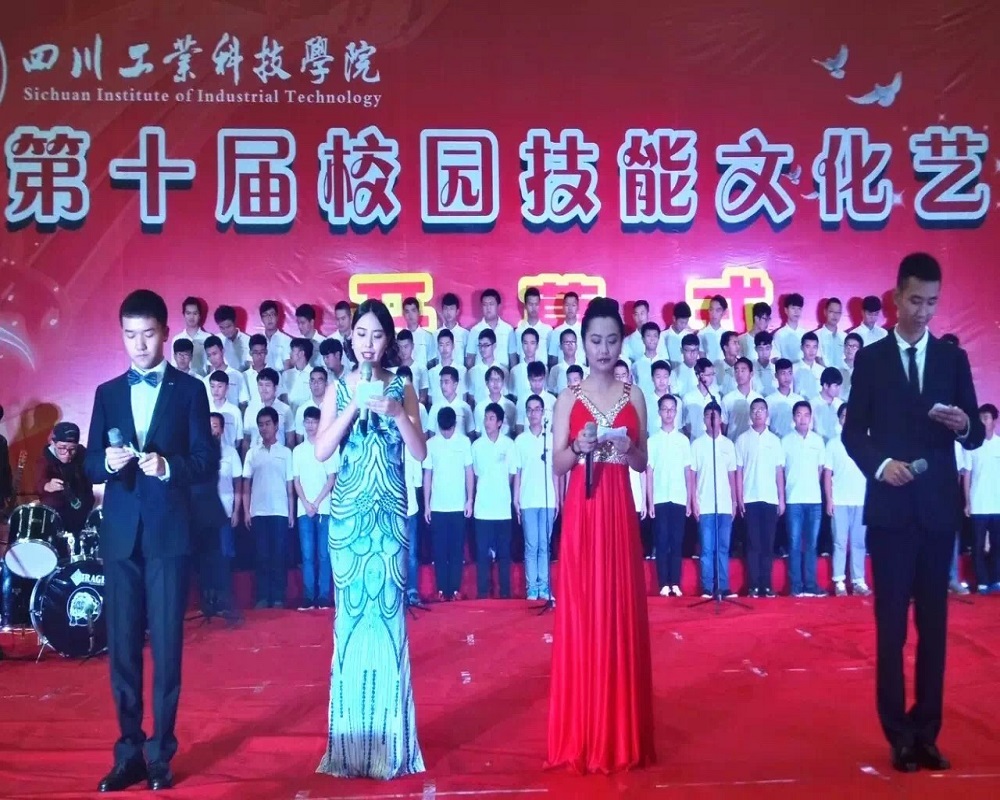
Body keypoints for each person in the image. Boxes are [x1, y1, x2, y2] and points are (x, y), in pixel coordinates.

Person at [842, 253, 984, 773]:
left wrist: (963, 424)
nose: (924, 312)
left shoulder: (951, 360)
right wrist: (882, 466)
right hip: (890, 513)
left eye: (933, 303)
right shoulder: (872, 360)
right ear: (897, 297)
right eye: (916, 301)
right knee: (891, 630)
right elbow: (853, 433)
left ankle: (926, 732)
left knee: (934, 628)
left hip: (937, 512)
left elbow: (975, 432)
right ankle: (898, 736)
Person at [84, 289, 216, 792]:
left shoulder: (190, 391)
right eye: (129, 335)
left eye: (148, 335)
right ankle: (129, 753)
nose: (138, 345)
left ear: (165, 333)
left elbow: (205, 461)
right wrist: (106, 463)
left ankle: (160, 754)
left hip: (167, 537)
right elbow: (90, 463)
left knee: (166, 649)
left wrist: (167, 466)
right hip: (120, 536)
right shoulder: (107, 393)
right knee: (121, 650)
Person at [314, 299, 427, 779]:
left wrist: (397, 412)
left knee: (388, 623)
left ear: (388, 342)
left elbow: (420, 452)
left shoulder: (403, 386)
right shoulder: (338, 387)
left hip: (389, 519)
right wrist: (352, 408)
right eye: (361, 333)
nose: (368, 343)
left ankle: (391, 746)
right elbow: (321, 450)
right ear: (351, 338)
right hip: (349, 522)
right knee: (350, 624)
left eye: (377, 335)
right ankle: (349, 746)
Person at [547, 296, 654, 773]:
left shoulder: (636, 396)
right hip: (583, 512)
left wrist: (628, 448)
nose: (604, 349)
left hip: (619, 510)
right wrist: (577, 445)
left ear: (621, 343)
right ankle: (583, 733)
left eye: (612, 340)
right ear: (582, 344)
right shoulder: (568, 398)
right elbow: (558, 464)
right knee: (583, 612)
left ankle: (621, 734)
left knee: (620, 610)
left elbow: (642, 462)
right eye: (595, 340)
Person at [242, 406, 295, 608]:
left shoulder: (286, 453)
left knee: (279, 556)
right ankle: (262, 597)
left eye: (267, 424)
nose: (264, 428)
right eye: (260, 425)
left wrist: (291, 512)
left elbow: (290, 486)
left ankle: (279, 597)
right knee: (261, 555)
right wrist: (246, 511)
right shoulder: (252, 453)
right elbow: (246, 485)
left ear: (276, 426)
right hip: (258, 511)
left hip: (280, 510)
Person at [646, 394, 693, 597]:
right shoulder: (653, 441)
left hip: (679, 497)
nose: (668, 413)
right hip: (660, 498)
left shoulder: (683, 441)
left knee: (677, 542)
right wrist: (650, 502)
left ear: (676, 412)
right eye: (664, 409)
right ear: (659, 412)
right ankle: (663, 583)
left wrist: (689, 500)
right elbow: (649, 472)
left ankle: (675, 582)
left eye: (671, 409)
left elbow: (688, 472)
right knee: (662, 541)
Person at [293, 407, 338, 610]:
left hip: (324, 508)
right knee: (307, 555)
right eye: (308, 422)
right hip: (304, 509)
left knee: (324, 555)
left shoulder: (328, 447)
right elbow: (296, 481)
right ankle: (309, 596)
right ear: (303, 424)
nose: (310, 425)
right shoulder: (298, 451)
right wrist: (306, 503)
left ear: (320, 424)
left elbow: (331, 479)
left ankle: (323, 597)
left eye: (314, 422)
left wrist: (317, 503)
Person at [514, 394, 559, 601]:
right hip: (528, 500)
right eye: (530, 410)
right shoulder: (521, 441)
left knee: (544, 545)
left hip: (547, 499)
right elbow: (517, 472)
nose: (533, 413)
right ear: (526, 413)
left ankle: (544, 586)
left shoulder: (551, 439)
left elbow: (555, 471)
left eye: (537, 409)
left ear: (543, 412)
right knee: (531, 545)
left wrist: (557, 498)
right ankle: (532, 587)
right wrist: (516, 499)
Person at [691, 403, 738, 598]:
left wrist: (734, 501)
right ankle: (708, 587)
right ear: (704, 419)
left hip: (725, 505)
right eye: (708, 416)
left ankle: (724, 586)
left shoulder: (728, 445)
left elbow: (732, 475)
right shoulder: (697, 444)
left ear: (721, 419)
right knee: (707, 549)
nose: (712, 419)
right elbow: (692, 476)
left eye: (715, 416)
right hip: (705, 504)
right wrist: (694, 501)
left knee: (723, 548)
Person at [472, 403, 518, 598]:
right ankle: (483, 594)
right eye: (486, 418)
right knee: (482, 553)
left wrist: (501, 490)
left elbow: (512, 473)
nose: (487, 422)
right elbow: (475, 475)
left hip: (502, 508)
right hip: (482, 508)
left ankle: (505, 594)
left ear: (500, 423)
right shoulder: (476, 445)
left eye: (491, 418)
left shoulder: (509, 445)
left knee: (504, 554)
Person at [823, 404, 870, 597]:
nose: (848, 419)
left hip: (861, 500)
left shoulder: (866, 442)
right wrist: (829, 499)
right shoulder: (833, 444)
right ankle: (839, 580)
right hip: (840, 500)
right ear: (840, 419)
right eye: (844, 415)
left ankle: (859, 581)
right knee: (840, 542)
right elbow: (827, 474)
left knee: (859, 542)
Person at [960, 403, 1000, 593]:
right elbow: (966, 475)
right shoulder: (972, 446)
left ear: (994, 421)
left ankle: (996, 579)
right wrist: (967, 502)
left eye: (986, 418)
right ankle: (982, 582)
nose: (983, 422)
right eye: (980, 418)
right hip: (978, 503)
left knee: (998, 544)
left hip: (998, 504)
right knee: (977, 545)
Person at [35, 421, 94, 537]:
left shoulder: (82, 453)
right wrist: (47, 485)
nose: (67, 453)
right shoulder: (44, 459)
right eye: (62, 448)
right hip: (56, 514)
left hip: (82, 510)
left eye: (72, 449)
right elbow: (38, 484)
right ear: (53, 443)